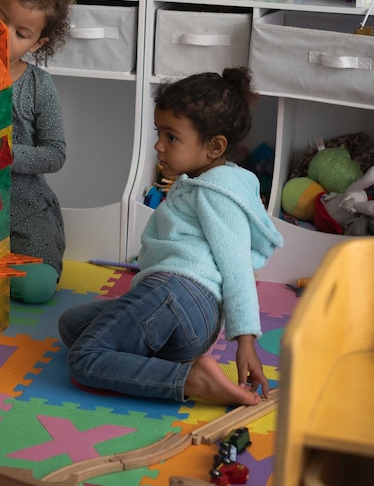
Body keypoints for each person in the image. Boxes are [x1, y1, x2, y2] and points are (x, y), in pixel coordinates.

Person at [58, 67, 283, 406]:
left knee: (84, 357)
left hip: (176, 294)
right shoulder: (205, 179)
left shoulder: (216, 191)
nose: (158, 145)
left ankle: (191, 380)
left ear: (214, 146)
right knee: (72, 324)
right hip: (186, 319)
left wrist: (246, 339)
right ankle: (186, 363)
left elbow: (237, 268)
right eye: (158, 132)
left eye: (171, 137)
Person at [0, 0, 70, 304]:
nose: (3, 35)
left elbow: (56, 154)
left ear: (37, 43)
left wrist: (3, 154)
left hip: (21, 206)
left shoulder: (38, 85)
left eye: (20, 34)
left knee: (37, 287)